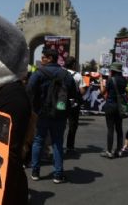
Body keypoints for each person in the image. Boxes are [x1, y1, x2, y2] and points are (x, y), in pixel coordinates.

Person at [28, 48, 77, 183]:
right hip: (60, 113)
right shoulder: (66, 75)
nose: (42, 59)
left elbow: (29, 90)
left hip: (42, 113)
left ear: (50, 58)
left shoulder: (38, 73)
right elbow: (74, 93)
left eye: (43, 57)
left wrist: (34, 107)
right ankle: (58, 174)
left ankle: (35, 172)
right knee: (57, 142)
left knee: (38, 141)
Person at [100, 62, 127, 159]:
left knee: (110, 129)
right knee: (119, 129)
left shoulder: (110, 80)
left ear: (113, 70)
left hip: (110, 106)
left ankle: (109, 151)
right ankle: (119, 150)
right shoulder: (124, 80)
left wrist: (101, 83)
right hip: (120, 107)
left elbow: (103, 92)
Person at [64, 56, 86, 154]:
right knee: (73, 126)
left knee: (60, 125)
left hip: (61, 102)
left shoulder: (61, 73)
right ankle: (70, 146)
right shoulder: (78, 75)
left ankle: (58, 145)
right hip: (73, 104)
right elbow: (82, 91)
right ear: (73, 64)